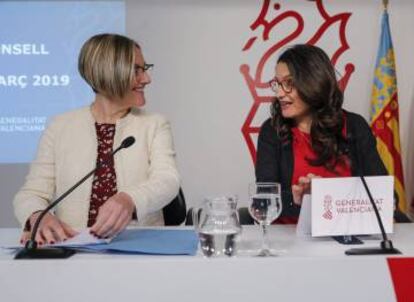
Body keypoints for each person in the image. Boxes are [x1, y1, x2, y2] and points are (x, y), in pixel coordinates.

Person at [14, 33, 180, 244]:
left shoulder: (154, 124)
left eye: (145, 69)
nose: (147, 79)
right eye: (136, 70)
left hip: (138, 248)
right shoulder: (60, 127)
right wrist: (38, 215)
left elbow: (168, 180)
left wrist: (130, 199)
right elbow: (31, 194)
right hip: (76, 250)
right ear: (108, 74)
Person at [255, 44, 395, 224]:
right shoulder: (272, 130)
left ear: (313, 82)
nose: (280, 93)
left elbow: (387, 196)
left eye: (289, 83)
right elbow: (263, 199)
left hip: (347, 237)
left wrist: (323, 195)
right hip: (289, 242)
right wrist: (299, 199)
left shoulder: (354, 126)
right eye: (278, 84)